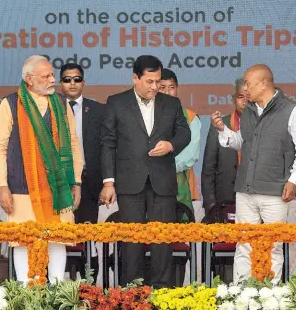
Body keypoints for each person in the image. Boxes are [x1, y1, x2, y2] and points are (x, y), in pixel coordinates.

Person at [211, 64, 296, 283]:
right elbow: (242, 143)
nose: (244, 88)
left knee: (273, 247)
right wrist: (223, 130)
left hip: (275, 192)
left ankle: (270, 298)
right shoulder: (249, 110)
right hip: (245, 191)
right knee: (243, 245)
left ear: (263, 83)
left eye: (247, 83)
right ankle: (241, 295)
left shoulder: (292, 111)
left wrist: (293, 181)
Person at [100, 55, 191, 288]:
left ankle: (162, 294)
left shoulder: (172, 104)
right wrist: (109, 182)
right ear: (135, 78)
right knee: (131, 243)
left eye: (158, 82)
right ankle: (132, 294)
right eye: (149, 81)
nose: (155, 87)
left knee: (162, 241)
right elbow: (108, 143)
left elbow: (184, 134)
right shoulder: (116, 102)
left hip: (162, 182)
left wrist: (171, 145)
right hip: (130, 183)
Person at [0, 55, 83, 284]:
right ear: (29, 79)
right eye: (47, 76)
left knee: (58, 241)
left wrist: (76, 182)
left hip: (59, 188)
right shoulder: (10, 103)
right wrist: (2, 186)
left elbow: (73, 143)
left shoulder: (61, 104)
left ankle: (56, 294)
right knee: (23, 242)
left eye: (52, 75)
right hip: (21, 188)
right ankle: (26, 295)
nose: (53, 80)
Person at [59, 62, 105, 282]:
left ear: (83, 82)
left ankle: (88, 287)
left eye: (77, 79)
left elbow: (107, 149)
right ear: (60, 83)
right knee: (61, 237)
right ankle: (61, 286)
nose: (72, 83)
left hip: (89, 182)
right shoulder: (51, 109)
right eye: (67, 79)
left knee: (87, 238)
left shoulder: (98, 110)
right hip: (59, 184)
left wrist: (108, 182)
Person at [201, 78, 247, 223]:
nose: (245, 102)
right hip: (224, 200)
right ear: (233, 99)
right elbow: (208, 168)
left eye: (248, 97)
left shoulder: (265, 124)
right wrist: (210, 204)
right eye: (240, 97)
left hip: (255, 198)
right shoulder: (221, 124)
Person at [158, 68, 201, 212]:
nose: (167, 92)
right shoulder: (144, 115)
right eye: (162, 87)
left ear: (177, 89)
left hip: (180, 183)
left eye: (171, 88)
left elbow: (191, 155)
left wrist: (161, 167)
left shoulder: (190, 117)